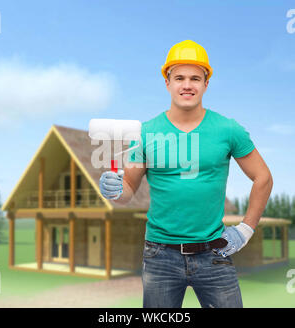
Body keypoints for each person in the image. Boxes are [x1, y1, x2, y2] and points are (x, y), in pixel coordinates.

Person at [99, 40, 273, 308]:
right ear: (167, 82)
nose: (187, 85)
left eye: (195, 78)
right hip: (160, 256)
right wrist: (115, 190)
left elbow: (263, 178)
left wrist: (246, 230)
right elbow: (129, 189)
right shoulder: (145, 133)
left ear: (206, 84)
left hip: (215, 252)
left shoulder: (228, 129)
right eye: (179, 77)